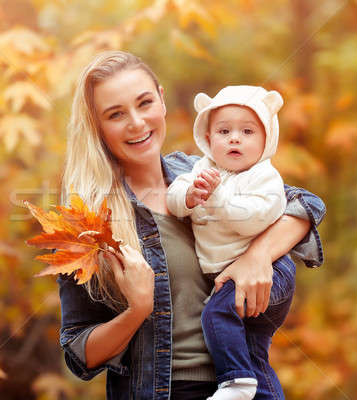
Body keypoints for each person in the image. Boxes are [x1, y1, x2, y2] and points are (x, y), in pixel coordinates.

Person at [57, 50, 325, 400]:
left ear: (162, 101)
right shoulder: (91, 219)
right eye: (116, 114)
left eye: (144, 103)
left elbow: (304, 205)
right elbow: (79, 351)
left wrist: (257, 256)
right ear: (97, 126)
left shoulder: (205, 171)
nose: (137, 122)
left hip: (248, 387)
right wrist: (138, 309)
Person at [167, 85, 293, 399]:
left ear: (266, 140)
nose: (234, 138)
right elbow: (172, 197)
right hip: (229, 276)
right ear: (208, 139)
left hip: (268, 273)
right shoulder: (202, 170)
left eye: (247, 131)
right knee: (251, 354)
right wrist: (190, 196)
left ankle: (235, 382)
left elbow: (256, 217)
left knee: (216, 315)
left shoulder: (263, 177)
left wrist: (218, 197)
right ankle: (254, 387)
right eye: (224, 131)